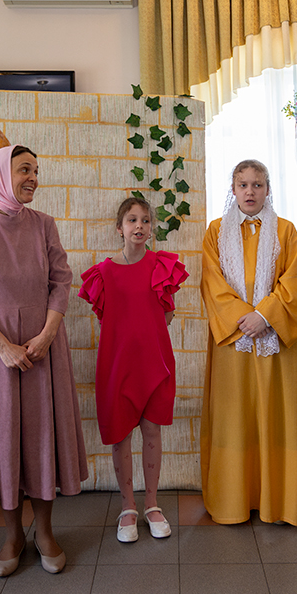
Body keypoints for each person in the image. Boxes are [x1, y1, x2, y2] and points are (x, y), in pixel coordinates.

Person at [0, 144, 88, 577]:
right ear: (2, 174)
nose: (33, 178)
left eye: (36, 171)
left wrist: (47, 335)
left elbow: (61, 282)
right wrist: (3, 346)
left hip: (43, 348)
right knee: (3, 438)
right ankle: (12, 534)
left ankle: (44, 531)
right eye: (25, 169)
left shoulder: (44, 224)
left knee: (41, 438)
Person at [199, 159, 297, 526]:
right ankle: (234, 498)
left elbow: (294, 281)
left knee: (278, 415)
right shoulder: (215, 232)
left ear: (268, 189)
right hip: (233, 341)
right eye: (243, 185)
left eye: (257, 184)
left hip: (276, 343)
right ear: (233, 190)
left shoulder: (285, 231)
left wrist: (264, 316)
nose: (250, 191)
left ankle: (280, 500)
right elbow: (212, 282)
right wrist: (243, 318)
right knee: (236, 418)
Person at [78, 197, 188, 543]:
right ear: (119, 228)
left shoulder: (161, 267)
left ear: (151, 228)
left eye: (145, 220)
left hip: (153, 362)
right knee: (121, 434)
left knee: (152, 430)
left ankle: (152, 504)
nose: (139, 226)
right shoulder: (103, 273)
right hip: (117, 365)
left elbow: (166, 315)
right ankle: (128, 506)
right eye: (131, 220)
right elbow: (106, 319)